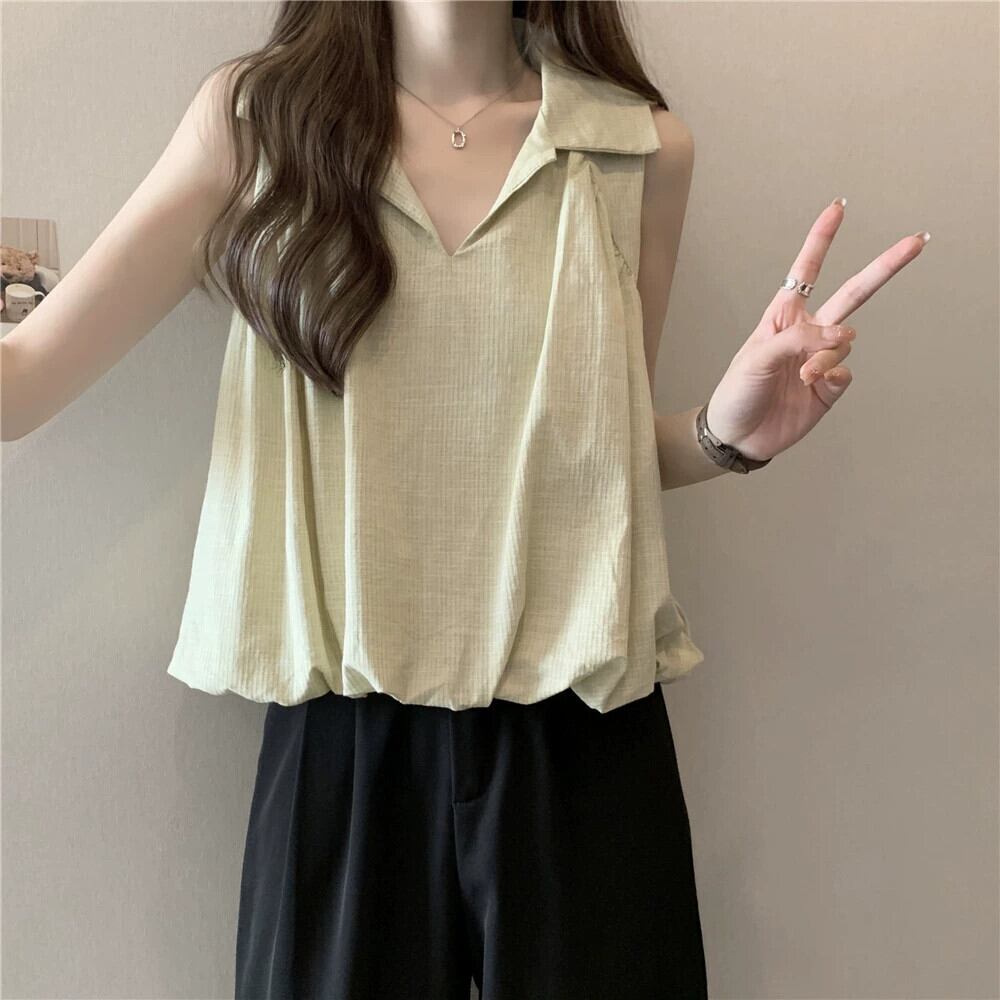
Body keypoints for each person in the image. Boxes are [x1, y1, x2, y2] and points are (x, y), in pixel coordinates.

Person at [1, 1, 930, 997]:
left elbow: (589, 456)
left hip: (584, 727)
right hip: (343, 744)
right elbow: (19, 390)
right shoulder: (259, 123)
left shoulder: (635, 148)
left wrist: (721, 434)